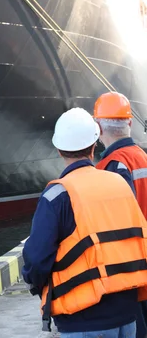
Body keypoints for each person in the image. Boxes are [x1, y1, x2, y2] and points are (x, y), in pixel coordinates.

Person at [22, 107, 147, 338]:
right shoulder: (121, 184)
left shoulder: (57, 196)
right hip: (128, 314)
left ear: (59, 150)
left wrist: (34, 283)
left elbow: (36, 259)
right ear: (94, 145)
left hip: (83, 320)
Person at [94, 91, 147, 338]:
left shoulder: (112, 166)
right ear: (130, 122)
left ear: (97, 126)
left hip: (131, 275)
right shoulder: (142, 157)